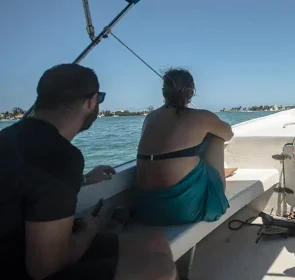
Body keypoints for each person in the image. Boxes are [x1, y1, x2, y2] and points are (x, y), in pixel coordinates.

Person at [0, 63, 177, 280]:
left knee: (155, 241)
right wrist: (89, 231)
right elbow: (46, 267)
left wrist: (82, 180)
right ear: (92, 101)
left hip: (20, 248)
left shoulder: (9, 138)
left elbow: (29, 184)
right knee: (159, 270)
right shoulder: (61, 155)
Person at [133, 68, 235, 225]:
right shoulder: (202, 117)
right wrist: (210, 124)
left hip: (147, 207)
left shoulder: (150, 118)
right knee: (216, 136)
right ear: (192, 92)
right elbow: (228, 134)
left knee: (189, 148)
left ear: (163, 92)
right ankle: (218, 184)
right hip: (183, 210)